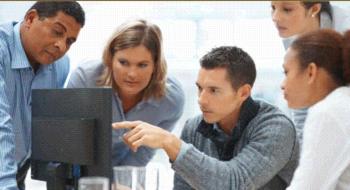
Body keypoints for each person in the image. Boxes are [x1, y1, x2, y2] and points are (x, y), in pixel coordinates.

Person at [114, 46, 299, 189]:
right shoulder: (193, 128)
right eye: (200, 88)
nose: (201, 100)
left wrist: (170, 143)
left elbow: (234, 184)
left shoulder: (276, 128)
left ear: (243, 93)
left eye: (213, 90)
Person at [67, 19, 185, 167]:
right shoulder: (85, 79)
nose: (132, 74)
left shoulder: (171, 100)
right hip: (79, 168)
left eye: (142, 65)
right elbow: (69, 141)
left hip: (124, 173)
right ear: (111, 59)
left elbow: (141, 154)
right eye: (123, 63)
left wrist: (121, 182)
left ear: (155, 65)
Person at [0, 1, 85, 190]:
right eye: (57, 31)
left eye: (70, 41)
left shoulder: (61, 66)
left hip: (15, 173)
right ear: (30, 18)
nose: (61, 46)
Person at [271, 1, 350, 142]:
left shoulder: (345, 33)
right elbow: (302, 107)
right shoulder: (294, 41)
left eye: (287, 10)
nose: (275, 17)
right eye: (273, 8)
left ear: (314, 9)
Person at [281, 29, 350, 189]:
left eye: (287, 72)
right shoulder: (342, 102)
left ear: (311, 71)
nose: (282, 84)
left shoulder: (328, 112)